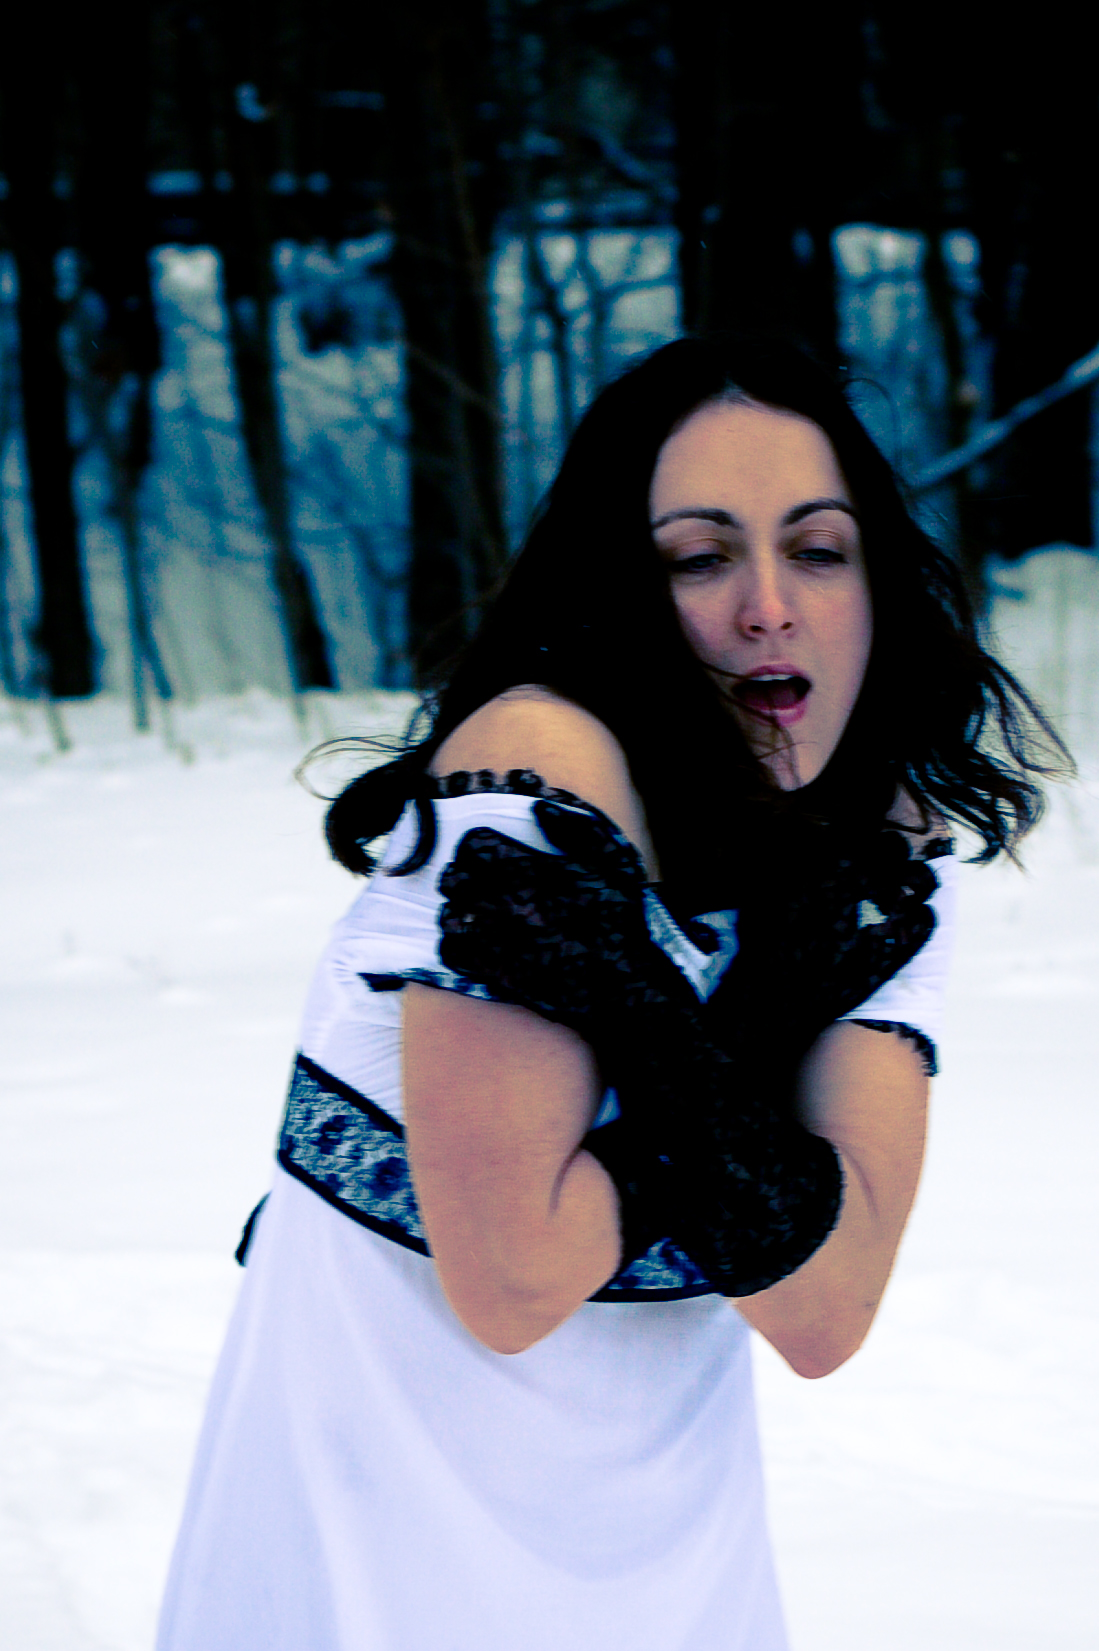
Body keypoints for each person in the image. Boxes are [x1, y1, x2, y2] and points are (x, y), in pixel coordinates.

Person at [157, 338, 1063, 1651]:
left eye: (819, 550)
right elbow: (515, 1276)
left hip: (671, 1579)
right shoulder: (534, 772)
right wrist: (733, 1075)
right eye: (699, 558)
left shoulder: (870, 861)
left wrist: (695, 1035)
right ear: (618, 590)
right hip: (387, 1567)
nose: (769, 606)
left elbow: (824, 1309)